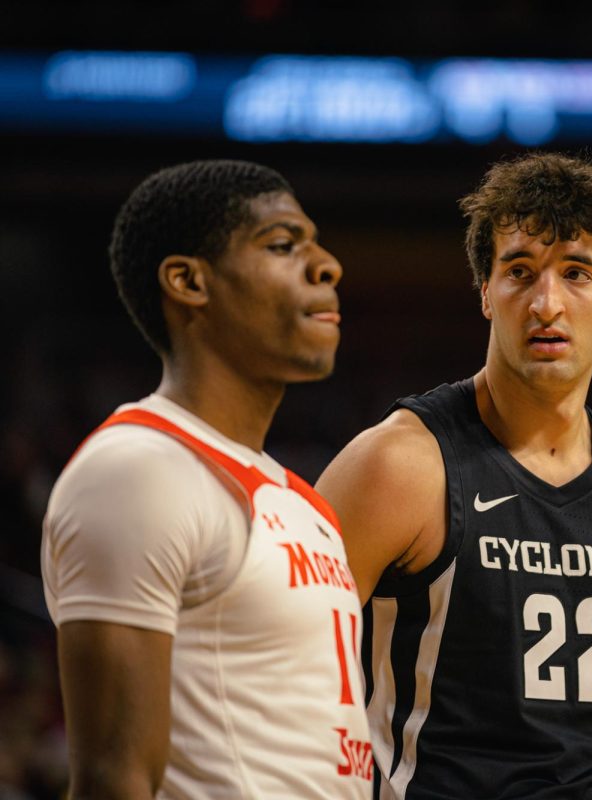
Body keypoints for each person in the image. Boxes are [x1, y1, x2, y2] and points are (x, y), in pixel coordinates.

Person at [317, 152, 592, 799]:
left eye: (576, 273)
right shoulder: (396, 468)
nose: (547, 303)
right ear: (485, 291)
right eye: (520, 272)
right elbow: (274, 684)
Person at [41, 160, 374, 799]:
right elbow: (114, 779)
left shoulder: (305, 502)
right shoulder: (137, 470)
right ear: (189, 282)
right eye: (283, 245)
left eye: (315, 242)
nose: (326, 264)